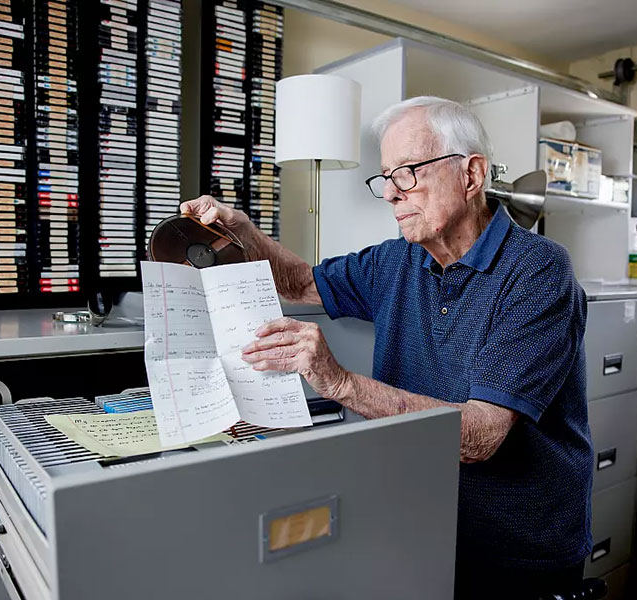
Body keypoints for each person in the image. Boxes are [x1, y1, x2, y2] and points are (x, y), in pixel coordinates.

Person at [180, 96, 593, 599]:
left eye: (409, 172)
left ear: (471, 175)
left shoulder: (538, 271)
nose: (392, 194)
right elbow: (298, 281)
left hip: (515, 553)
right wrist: (242, 232)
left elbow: (481, 436)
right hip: (420, 527)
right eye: (386, 177)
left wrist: (339, 382)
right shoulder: (397, 261)